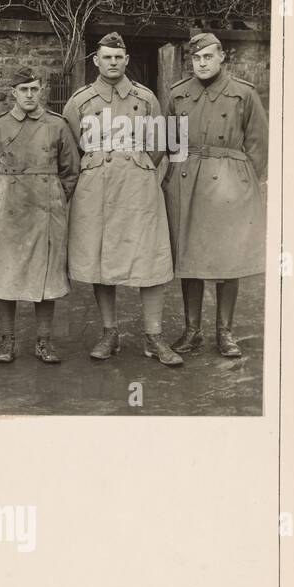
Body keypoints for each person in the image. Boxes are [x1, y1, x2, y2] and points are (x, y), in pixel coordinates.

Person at [63, 32, 182, 366]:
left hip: (138, 189)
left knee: (150, 258)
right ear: (96, 60)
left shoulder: (145, 99)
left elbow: (160, 144)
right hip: (96, 190)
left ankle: (153, 335)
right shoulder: (80, 101)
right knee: (102, 259)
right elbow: (70, 146)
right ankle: (109, 332)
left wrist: (139, 167)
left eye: (119, 57)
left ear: (127, 60)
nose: (113, 63)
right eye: (107, 57)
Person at [162, 32, 268, 358]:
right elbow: (167, 142)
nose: (203, 63)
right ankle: (192, 331)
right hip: (187, 181)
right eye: (196, 58)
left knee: (228, 259)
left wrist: (245, 182)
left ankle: (225, 333)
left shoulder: (243, 94)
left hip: (230, 184)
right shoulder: (178, 95)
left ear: (222, 57)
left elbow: (259, 145)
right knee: (190, 259)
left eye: (208, 56)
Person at [0, 65, 81, 363]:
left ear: (41, 90)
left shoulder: (57, 126)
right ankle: (7, 341)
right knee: (4, 276)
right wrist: (2, 199)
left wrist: (56, 199)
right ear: (13, 93)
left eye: (34, 89)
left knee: (45, 278)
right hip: (7, 211)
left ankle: (44, 342)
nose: (30, 95)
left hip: (46, 211)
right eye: (24, 90)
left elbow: (71, 171)